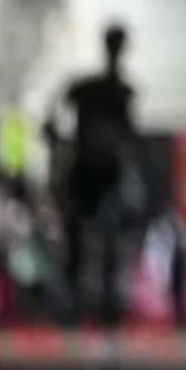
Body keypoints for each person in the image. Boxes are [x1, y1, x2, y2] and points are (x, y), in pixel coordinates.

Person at [56, 23, 140, 323]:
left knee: (107, 243)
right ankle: (78, 302)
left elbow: (129, 137)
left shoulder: (118, 91)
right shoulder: (91, 89)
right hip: (87, 174)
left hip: (105, 176)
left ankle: (100, 303)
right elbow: (56, 117)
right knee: (82, 243)